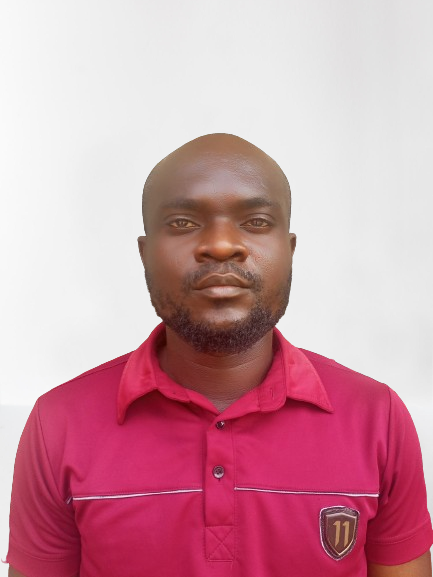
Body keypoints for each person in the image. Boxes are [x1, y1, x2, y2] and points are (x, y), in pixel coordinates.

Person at [7, 134, 433, 577]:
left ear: (289, 251)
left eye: (256, 221)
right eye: (182, 222)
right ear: (145, 255)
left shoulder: (377, 417)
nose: (222, 244)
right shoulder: (59, 424)